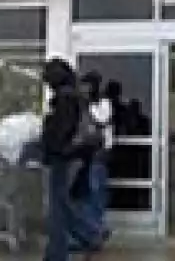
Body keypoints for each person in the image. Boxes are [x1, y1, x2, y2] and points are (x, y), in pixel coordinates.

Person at [40, 58, 101, 261]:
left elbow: (61, 132)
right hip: (74, 156)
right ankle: (84, 238)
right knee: (62, 205)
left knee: (58, 207)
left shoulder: (65, 100)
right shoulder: (75, 98)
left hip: (65, 158)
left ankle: (64, 249)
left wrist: (51, 147)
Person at [76, 71, 114, 246]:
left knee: (96, 190)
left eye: (86, 86)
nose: (83, 89)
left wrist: (88, 106)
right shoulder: (81, 105)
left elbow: (102, 120)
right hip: (84, 154)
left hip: (98, 153)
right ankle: (92, 230)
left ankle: (97, 228)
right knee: (87, 193)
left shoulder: (103, 103)